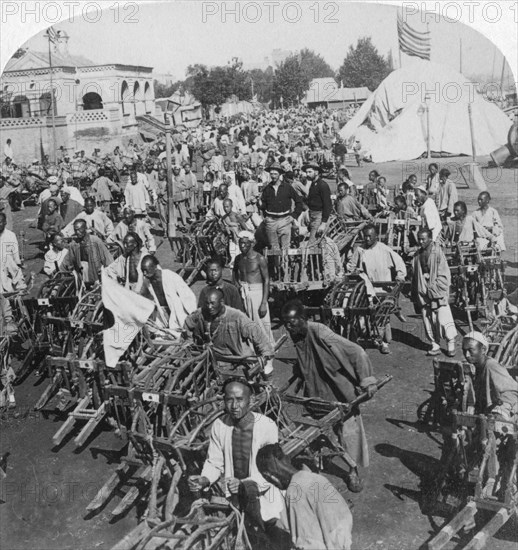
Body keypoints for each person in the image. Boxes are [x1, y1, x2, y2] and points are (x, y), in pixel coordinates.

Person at [281, 300, 378, 492]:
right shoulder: (297, 334)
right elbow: (306, 360)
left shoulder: (321, 332)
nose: (288, 327)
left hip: (339, 391)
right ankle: (318, 464)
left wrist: (367, 380)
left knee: (349, 432)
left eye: (292, 322)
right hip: (316, 391)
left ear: (303, 319)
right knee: (316, 430)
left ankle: (352, 469)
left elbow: (356, 351)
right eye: (286, 323)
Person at [188, 379, 286, 541]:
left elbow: (271, 469)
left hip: (263, 493)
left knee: (269, 534)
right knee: (245, 533)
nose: (234, 406)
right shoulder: (220, 425)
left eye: (240, 400)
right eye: (229, 400)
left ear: (251, 400)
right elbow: (214, 461)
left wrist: (244, 484)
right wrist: (205, 479)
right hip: (235, 495)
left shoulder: (266, 426)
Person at [256, 443, 353, 550]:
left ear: (270, 476)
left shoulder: (294, 492)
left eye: (266, 477)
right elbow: (345, 515)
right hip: (344, 540)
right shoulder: (315, 477)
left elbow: (307, 543)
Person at [346, 224, 406, 354]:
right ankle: (370, 338)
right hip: (368, 289)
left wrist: (400, 276)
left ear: (375, 237)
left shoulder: (384, 250)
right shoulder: (360, 249)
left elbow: (399, 262)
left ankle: (383, 342)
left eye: (370, 236)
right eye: (365, 236)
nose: (367, 239)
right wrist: (353, 271)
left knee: (382, 315)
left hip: (384, 288)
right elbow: (351, 265)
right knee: (366, 314)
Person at [184, 287, 274, 366]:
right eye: (207, 303)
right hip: (213, 358)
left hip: (238, 360)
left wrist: (266, 352)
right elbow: (188, 323)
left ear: (222, 302)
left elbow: (255, 331)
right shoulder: (201, 313)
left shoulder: (237, 316)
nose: (209, 307)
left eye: (212, 303)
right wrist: (189, 341)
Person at [233, 231, 275, 375]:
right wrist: (238, 286)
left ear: (252, 243)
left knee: (262, 326)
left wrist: (264, 302)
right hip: (244, 293)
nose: (242, 246)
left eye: (245, 243)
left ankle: (269, 358)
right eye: (240, 243)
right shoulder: (239, 259)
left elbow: (267, 280)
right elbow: (234, 274)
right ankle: (255, 358)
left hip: (257, 293)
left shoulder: (259, 259)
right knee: (248, 326)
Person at [411, 228, 457, 357]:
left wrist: (435, 288)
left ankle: (450, 343)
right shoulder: (417, 255)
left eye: (423, 239)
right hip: (423, 293)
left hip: (437, 291)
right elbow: (414, 275)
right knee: (427, 319)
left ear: (430, 239)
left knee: (443, 318)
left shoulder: (437, 252)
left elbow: (444, 274)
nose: (420, 242)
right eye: (419, 239)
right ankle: (434, 344)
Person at [462, 331, 517, 420]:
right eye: (464, 351)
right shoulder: (477, 366)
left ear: (483, 349)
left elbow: (513, 391)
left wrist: (500, 411)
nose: (467, 355)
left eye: (470, 350)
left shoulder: (491, 366)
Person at [139, 255, 196, 336]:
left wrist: (192, 314)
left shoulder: (170, 276)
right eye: (142, 271)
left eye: (146, 270)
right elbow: (143, 297)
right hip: (162, 314)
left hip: (176, 311)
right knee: (160, 334)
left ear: (155, 267)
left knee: (182, 331)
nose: (144, 273)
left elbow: (187, 294)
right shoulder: (147, 282)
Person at [261, 162, 303, 250]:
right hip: (271, 222)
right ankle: (277, 264)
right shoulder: (267, 188)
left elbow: (299, 201)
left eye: (275, 174)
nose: (273, 176)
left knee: (285, 248)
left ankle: (285, 264)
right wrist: (265, 218)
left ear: (280, 174)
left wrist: (294, 216)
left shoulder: (287, 187)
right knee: (274, 248)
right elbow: (263, 205)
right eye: (271, 174)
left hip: (285, 220)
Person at [60, 219, 113, 285]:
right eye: (75, 230)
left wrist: (110, 274)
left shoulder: (95, 240)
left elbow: (107, 257)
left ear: (85, 228)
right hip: (82, 277)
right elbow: (67, 261)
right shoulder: (74, 244)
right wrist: (61, 272)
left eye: (80, 229)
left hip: (95, 275)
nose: (77, 232)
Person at [303, 162, 332, 243]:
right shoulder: (312, 184)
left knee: (312, 242)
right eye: (306, 172)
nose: (307, 174)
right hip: (312, 215)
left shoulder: (323, 185)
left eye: (309, 172)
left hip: (319, 216)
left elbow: (327, 205)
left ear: (316, 172)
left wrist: (323, 223)